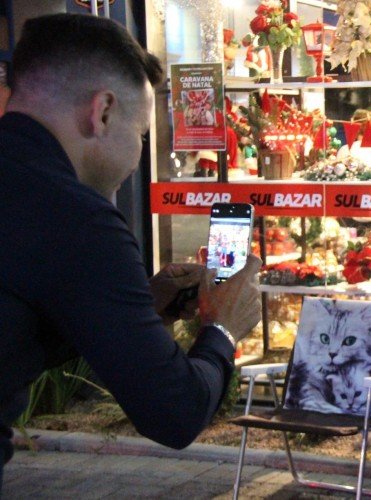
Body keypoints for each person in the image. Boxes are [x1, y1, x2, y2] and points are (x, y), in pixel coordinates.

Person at [0, 13, 262, 488]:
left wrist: (139, 306)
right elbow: (175, 413)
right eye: (142, 134)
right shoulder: (80, 219)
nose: (139, 152)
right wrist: (222, 327)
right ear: (102, 111)